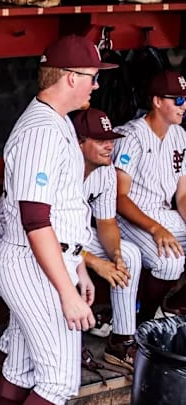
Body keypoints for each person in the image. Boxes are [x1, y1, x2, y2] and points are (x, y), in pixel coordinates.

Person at [0, 35, 115, 405]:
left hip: (48, 260)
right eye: (92, 76)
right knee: (59, 383)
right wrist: (66, 291)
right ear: (69, 77)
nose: (96, 84)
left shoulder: (58, 121)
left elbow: (62, 208)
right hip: (33, 264)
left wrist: (78, 269)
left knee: (21, 369)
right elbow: (35, 219)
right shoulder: (40, 131)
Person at [0, 108, 141, 378]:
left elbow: (106, 223)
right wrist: (93, 263)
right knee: (48, 280)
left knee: (129, 254)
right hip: (16, 234)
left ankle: (121, 341)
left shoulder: (105, 171)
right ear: (79, 142)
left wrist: (114, 255)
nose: (109, 146)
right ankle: (8, 355)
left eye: (111, 139)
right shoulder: (58, 166)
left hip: (67, 237)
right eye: (100, 140)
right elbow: (44, 231)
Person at [112, 70, 186, 322]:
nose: (183, 106)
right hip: (131, 217)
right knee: (170, 263)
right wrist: (156, 228)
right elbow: (119, 197)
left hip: (165, 213)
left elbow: (183, 195)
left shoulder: (180, 135)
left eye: (185, 99)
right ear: (157, 101)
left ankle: (175, 304)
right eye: (177, 100)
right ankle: (143, 321)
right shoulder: (131, 136)